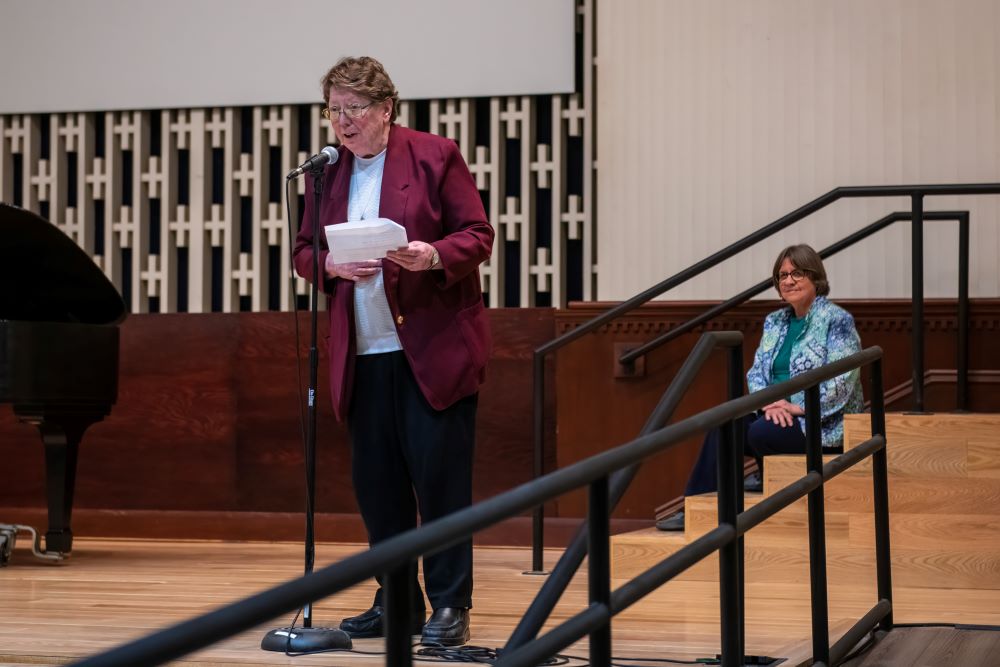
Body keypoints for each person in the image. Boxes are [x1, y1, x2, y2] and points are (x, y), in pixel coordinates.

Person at [292, 56, 494, 645]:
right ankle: (397, 599)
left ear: (386, 109)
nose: (344, 122)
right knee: (377, 488)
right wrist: (328, 263)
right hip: (361, 353)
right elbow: (304, 251)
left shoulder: (434, 155)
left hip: (430, 351)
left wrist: (431, 255)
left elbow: (476, 235)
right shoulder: (324, 173)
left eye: (355, 109)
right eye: (334, 110)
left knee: (441, 486)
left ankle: (450, 604)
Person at [656, 244, 863, 531]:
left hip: (818, 421)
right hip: (774, 411)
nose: (788, 281)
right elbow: (757, 373)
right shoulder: (775, 321)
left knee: (760, 432)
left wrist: (798, 407)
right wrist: (769, 404)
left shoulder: (836, 319)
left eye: (798, 273)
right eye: (782, 275)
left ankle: (763, 475)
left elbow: (844, 377)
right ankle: (695, 507)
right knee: (723, 425)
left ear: (815, 277)